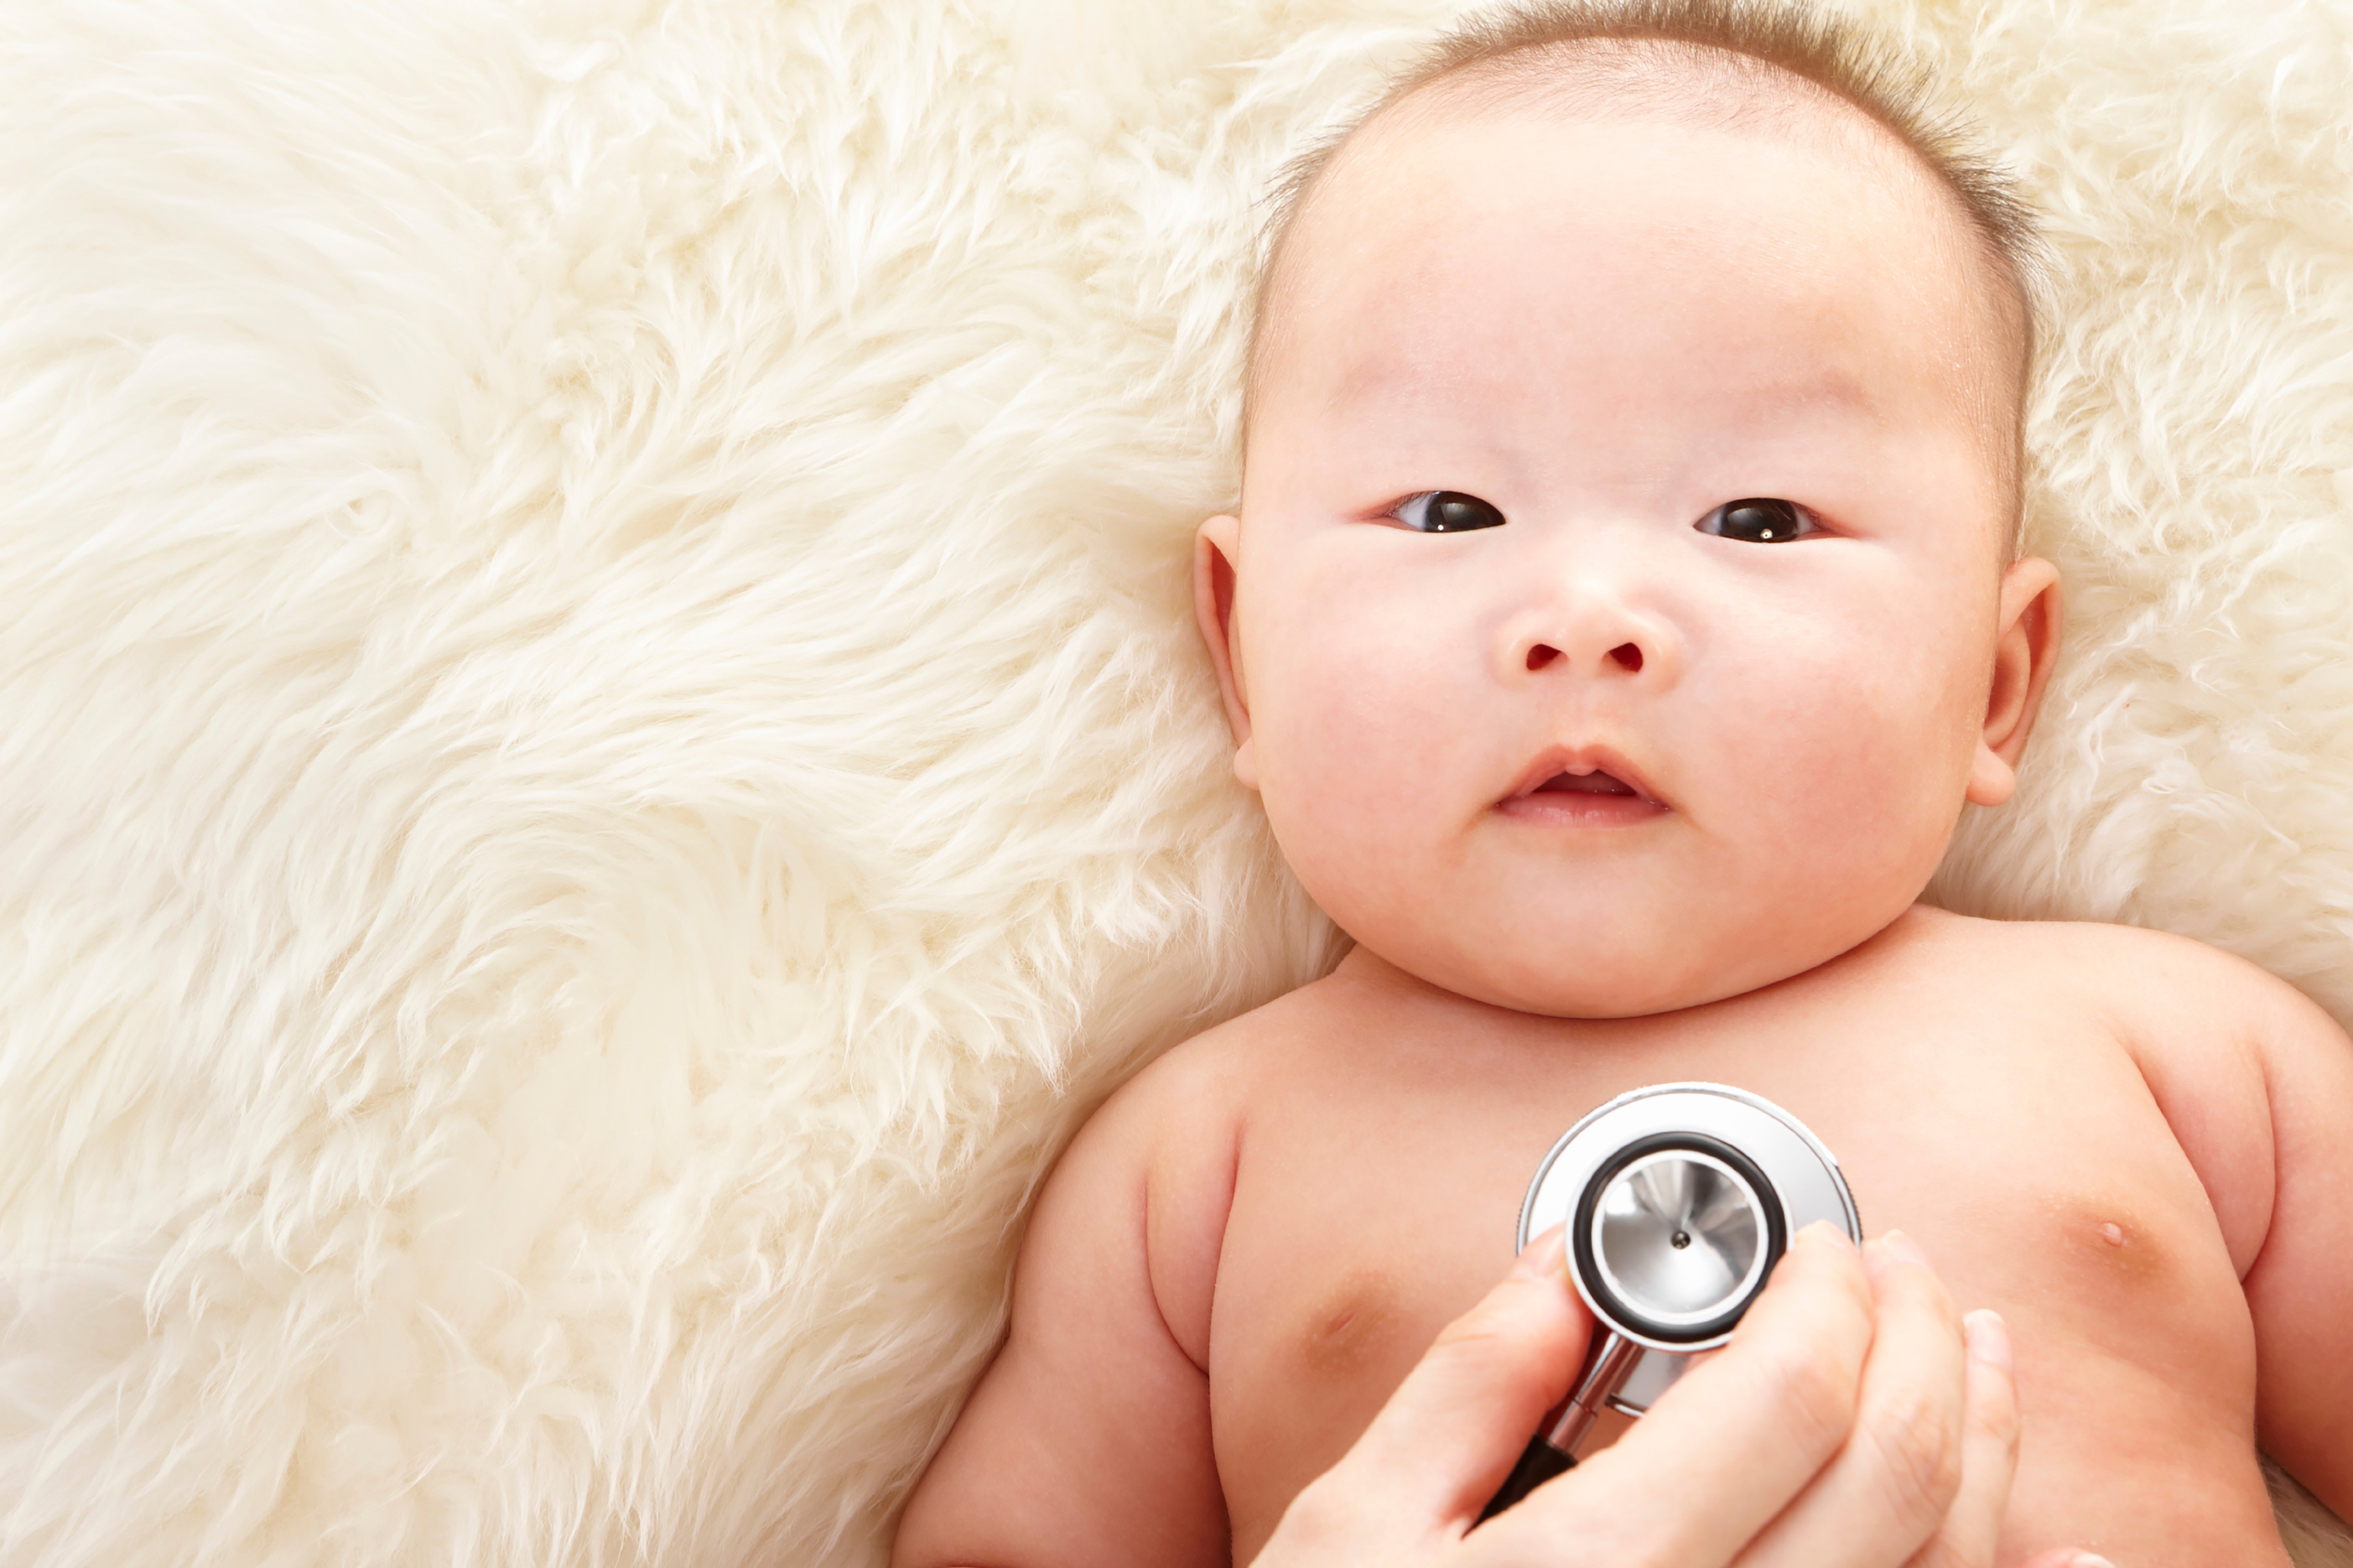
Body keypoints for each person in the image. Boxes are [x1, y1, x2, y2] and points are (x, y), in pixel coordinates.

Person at [894, 2, 2353, 1564]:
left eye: (1759, 520)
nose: (1585, 617)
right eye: (1449, 508)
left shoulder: (2185, 1061)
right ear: (1243, 653)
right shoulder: (1196, 1165)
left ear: (1993, 685)